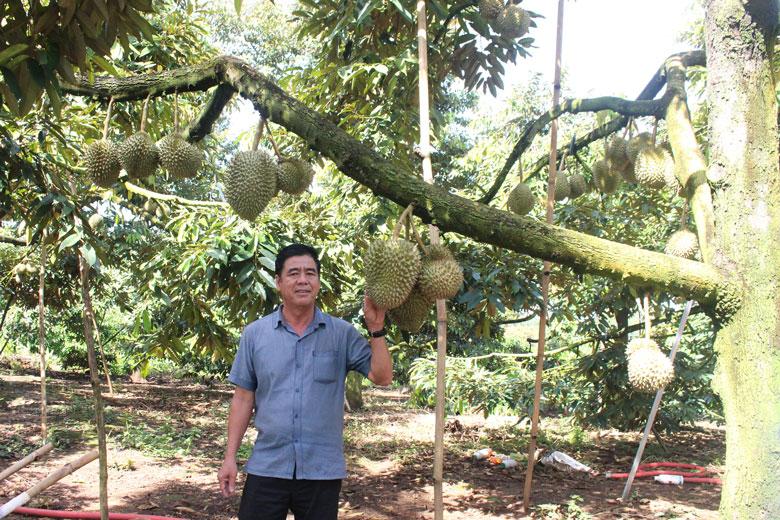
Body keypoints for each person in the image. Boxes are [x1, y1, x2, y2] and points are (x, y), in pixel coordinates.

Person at [218, 243, 392, 520]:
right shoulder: (255, 335)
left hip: (321, 470)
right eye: (294, 273)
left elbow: (382, 377)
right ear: (278, 281)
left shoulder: (342, 334)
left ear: (318, 281)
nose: (303, 280)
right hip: (268, 465)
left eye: (310, 273)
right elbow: (243, 398)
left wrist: (376, 328)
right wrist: (230, 457)